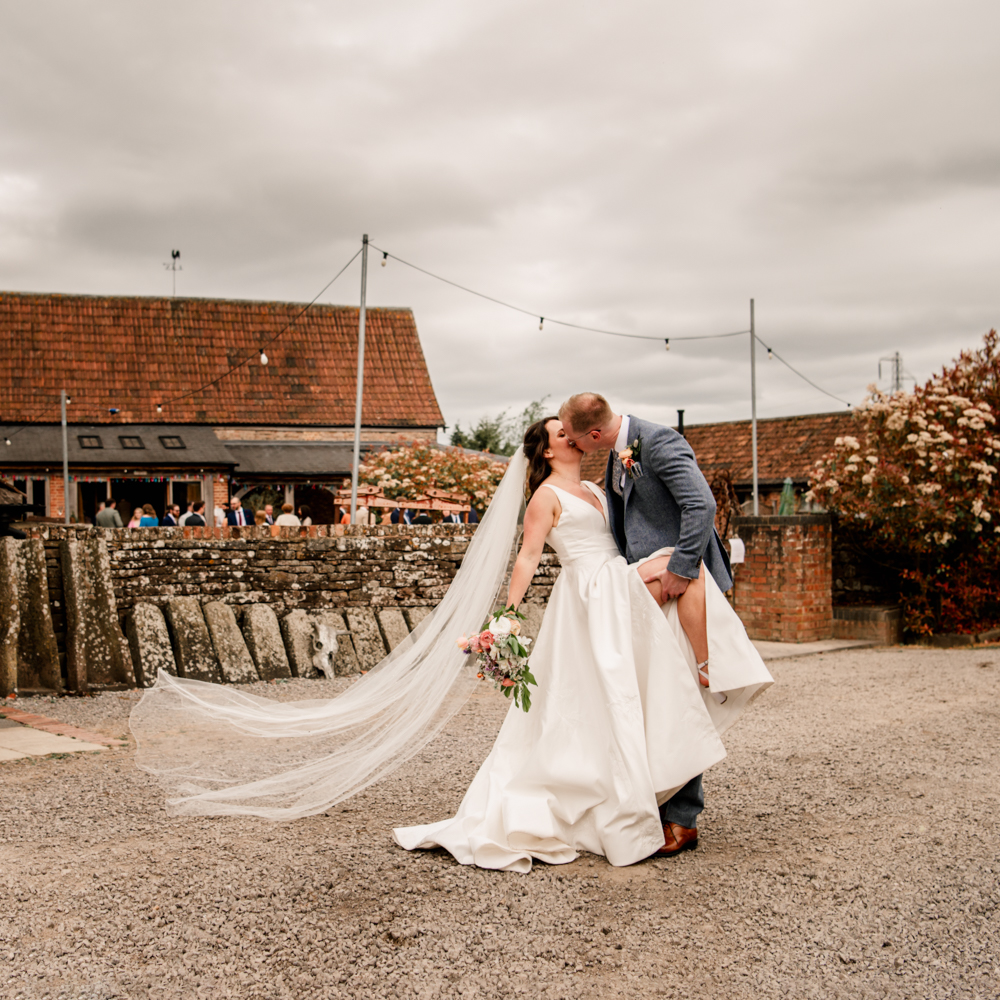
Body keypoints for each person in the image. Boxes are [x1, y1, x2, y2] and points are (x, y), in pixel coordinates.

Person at [133, 418, 770, 873]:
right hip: (585, 603)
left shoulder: (601, 487)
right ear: (547, 452)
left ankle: (647, 777)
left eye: (571, 432)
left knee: (625, 696)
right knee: (581, 704)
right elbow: (524, 561)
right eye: (559, 434)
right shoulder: (546, 497)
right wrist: (505, 620)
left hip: (614, 594)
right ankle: (610, 798)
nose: (571, 437)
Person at [557, 391, 768, 854]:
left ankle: (683, 818)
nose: (573, 446)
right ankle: (658, 803)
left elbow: (702, 507)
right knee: (658, 695)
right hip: (643, 586)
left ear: (594, 433)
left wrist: (681, 569)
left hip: (680, 585)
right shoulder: (616, 455)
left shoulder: (660, 441)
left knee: (680, 692)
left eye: (574, 438)